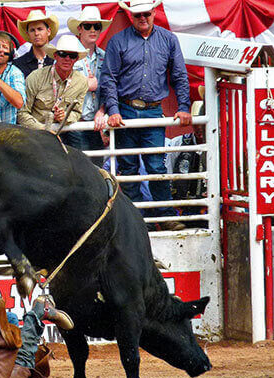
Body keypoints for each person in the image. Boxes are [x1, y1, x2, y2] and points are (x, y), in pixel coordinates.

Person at [99, 0, 191, 231]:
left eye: (146, 14)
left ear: (154, 13)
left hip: (152, 109)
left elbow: (179, 74)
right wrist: (114, 110)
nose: (143, 18)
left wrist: (184, 106)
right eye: (138, 14)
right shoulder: (118, 41)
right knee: (128, 166)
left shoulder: (168, 40)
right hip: (126, 108)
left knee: (156, 166)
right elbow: (108, 77)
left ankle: (164, 215)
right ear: (131, 16)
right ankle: (137, 217)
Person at [61, 6, 112, 166]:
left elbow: (110, 89)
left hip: (96, 122)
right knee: (81, 167)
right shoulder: (68, 54)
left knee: (97, 166)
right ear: (79, 29)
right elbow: (59, 85)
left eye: (96, 26)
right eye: (88, 26)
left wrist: (103, 111)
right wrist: (84, 85)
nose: (92, 30)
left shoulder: (105, 56)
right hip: (75, 121)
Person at [17, 35, 88, 132]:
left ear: (76, 59)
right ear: (55, 56)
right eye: (63, 54)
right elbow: (21, 113)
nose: (67, 59)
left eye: (72, 56)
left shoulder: (81, 81)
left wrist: (65, 117)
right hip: (35, 132)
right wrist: (44, 130)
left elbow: (77, 112)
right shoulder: (35, 77)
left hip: (65, 131)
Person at [164, 100, 207, 228]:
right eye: (196, 124)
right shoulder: (179, 142)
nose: (199, 128)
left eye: (202, 124)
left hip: (210, 206)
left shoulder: (220, 145)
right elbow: (168, 171)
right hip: (183, 206)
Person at [13, 10, 59, 78]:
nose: (36, 33)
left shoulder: (59, 60)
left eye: (40, 29)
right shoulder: (18, 64)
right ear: (28, 34)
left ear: (48, 31)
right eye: (32, 30)